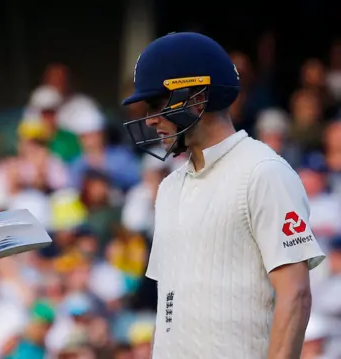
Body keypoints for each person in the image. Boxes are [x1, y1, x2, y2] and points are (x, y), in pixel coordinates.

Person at [121, 32, 326, 359]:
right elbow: (170, 307)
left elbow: (296, 295)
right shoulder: (169, 188)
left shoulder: (263, 172)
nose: (153, 119)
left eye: (159, 104)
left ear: (196, 99)